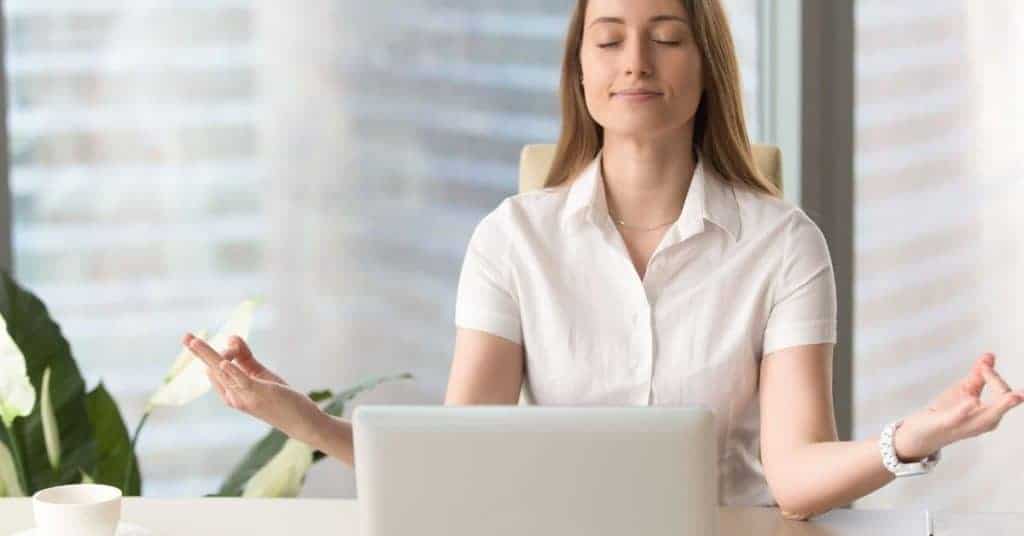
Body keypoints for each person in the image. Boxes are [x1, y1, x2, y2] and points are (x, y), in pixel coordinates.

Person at [183, 0, 1024, 521]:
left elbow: (798, 475)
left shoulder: (785, 245)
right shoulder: (512, 241)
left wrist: (909, 438)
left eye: (666, 37)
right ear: (580, 71)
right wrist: (306, 422)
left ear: (707, 68)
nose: (635, 62)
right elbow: (455, 454)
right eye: (608, 39)